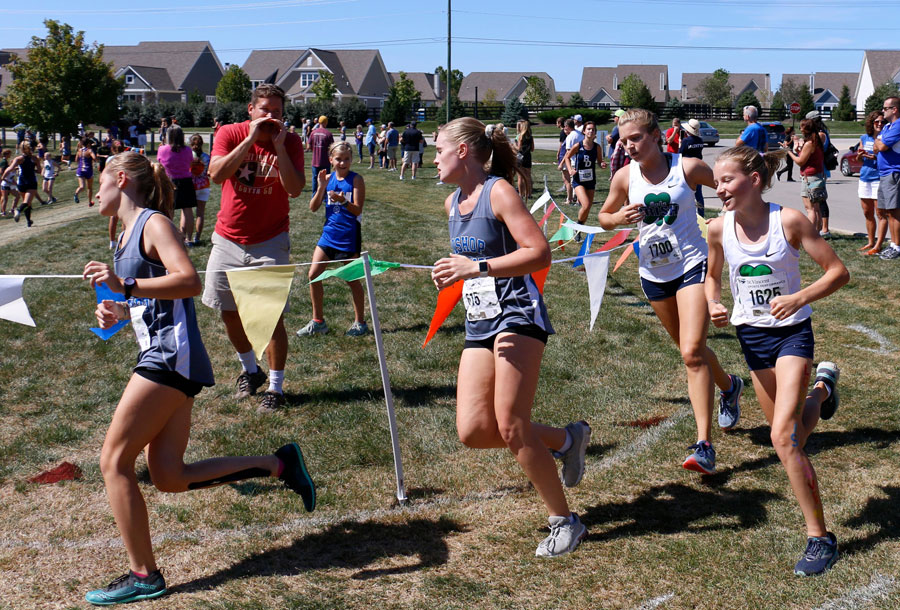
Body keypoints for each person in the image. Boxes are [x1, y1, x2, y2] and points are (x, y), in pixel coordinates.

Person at [81, 152, 315, 606]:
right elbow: (146, 302)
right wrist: (113, 312)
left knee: (114, 462)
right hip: (166, 356)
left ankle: (144, 576)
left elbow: (187, 280)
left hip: (169, 358)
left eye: (101, 183)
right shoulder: (123, 235)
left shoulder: (155, 224)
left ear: (122, 180)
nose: (94, 193)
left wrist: (126, 288)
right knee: (168, 476)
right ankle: (279, 464)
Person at [431, 117, 591, 557]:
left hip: (518, 315)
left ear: (463, 152)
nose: (434, 157)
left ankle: (566, 522)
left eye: (439, 148)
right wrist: (452, 273)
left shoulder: (497, 191)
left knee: (511, 422)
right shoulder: (451, 203)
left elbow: (538, 252)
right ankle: (566, 439)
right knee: (474, 429)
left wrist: (475, 269)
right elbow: (471, 258)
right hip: (480, 321)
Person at [706, 145, 848, 576]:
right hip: (752, 337)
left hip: (792, 335)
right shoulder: (718, 229)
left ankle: (820, 538)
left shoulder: (787, 221)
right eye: (716, 182)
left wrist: (798, 297)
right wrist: (713, 302)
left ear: (753, 180)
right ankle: (823, 390)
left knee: (783, 440)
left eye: (726, 180)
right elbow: (712, 277)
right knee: (790, 439)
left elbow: (837, 271)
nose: (719, 188)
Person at [597, 109, 743, 474]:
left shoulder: (687, 168)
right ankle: (729, 386)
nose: (629, 145)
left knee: (692, 353)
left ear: (656, 135)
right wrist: (618, 219)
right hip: (653, 273)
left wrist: (727, 221)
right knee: (689, 348)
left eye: (636, 138)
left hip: (692, 266)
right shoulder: (624, 176)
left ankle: (704, 444)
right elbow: (603, 217)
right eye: (623, 139)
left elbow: (728, 190)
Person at [205, 84, 305, 413]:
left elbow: (294, 190)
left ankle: (276, 389)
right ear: (251, 110)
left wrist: (278, 146)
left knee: (270, 317)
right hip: (228, 238)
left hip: (270, 241)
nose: (270, 116)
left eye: (276, 111)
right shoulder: (230, 134)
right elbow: (216, 175)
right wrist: (249, 139)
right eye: (264, 109)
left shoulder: (290, 141)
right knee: (229, 312)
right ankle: (251, 370)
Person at [297, 141, 368, 338]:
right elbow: (312, 207)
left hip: (348, 237)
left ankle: (360, 322)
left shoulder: (356, 180)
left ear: (351, 160)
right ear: (331, 160)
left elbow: (357, 210)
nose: (343, 163)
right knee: (313, 275)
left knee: (352, 280)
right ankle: (318, 321)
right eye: (338, 159)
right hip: (328, 235)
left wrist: (343, 201)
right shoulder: (327, 179)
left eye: (346, 159)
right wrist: (321, 187)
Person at [157, 125, 197, 246]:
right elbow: (191, 162)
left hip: (170, 181)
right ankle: (188, 239)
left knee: (168, 211)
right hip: (186, 181)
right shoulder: (188, 150)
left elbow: (160, 163)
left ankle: (168, 238)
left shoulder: (163, 149)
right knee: (187, 211)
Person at [785, 119, 827, 234]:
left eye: (801, 127)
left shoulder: (809, 143)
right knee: (816, 208)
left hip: (810, 178)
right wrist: (798, 148)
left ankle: (810, 235)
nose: (800, 130)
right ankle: (817, 234)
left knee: (810, 209)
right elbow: (807, 157)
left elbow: (800, 162)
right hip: (818, 176)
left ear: (806, 129)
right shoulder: (816, 141)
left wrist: (788, 151)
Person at [562, 121, 605, 225]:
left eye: (593, 129)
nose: (591, 131)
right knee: (585, 205)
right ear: (584, 131)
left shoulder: (597, 147)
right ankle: (578, 227)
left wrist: (602, 164)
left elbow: (599, 161)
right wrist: (570, 170)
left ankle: (579, 228)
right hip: (578, 180)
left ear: (595, 133)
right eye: (589, 129)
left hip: (590, 179)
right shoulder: (578, 145)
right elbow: (567, 157)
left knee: (588, 207)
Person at [874, 96, 900, 260]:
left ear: (894, 109)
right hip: (884, 173)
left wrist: (878, 140)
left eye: (885, 108)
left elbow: (881, 146)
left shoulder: (898, 126)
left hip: (893, 172)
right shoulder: (888, 127)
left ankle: (897, 246)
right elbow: (877, 149)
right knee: (889, 212)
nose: (883, 111)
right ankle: (893, 244)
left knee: (895, 211)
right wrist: (878, 140)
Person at [857, 111, 886, 254]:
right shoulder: (864, 137)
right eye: (877, 122)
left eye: (882, 122)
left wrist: (875, 158)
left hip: (879, 179)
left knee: (880, 213)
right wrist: (860, 156)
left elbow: (887, 159)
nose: (880, 124)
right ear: (871, 123)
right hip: (864, 178)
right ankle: (870, 242)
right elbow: (859, 160)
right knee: (867, 213)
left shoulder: (886, 138)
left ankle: (878, 245)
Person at [2, 142, 42, 226]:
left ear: (21, 149)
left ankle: (29, 221)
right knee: (27, 202)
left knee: (27, 203)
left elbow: (9, 169)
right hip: (31, 182)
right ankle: (18, 210)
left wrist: (3, 177)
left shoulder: (18, 159)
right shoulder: (35, 158)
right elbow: (39, 171)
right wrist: (31, 170)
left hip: (21, 183)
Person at [679, 118, 706, 213]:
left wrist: (680, 144)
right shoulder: (700, 140)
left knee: (687, 192)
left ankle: (687, 213)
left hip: (687, 169)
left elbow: (680, 153)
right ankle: (701, 213)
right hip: (698, 168)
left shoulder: (686, 141)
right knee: (699, 194)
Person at [190, 133, 211, 246]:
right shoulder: (207, 157)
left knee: (187, 213)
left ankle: (187, 237)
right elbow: (209, 172)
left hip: (191, 186)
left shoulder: (188, 157)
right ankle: (197, 237)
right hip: (203, 186)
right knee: (200, 214)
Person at [558, 119, 584, 204]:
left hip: (572, 161)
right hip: (581, 159)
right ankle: (578, 199)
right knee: (579, 181)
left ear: (567, 126)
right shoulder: (580, 134)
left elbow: (568, 153)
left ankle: (570, 199)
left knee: (569, 181)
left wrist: (561, 163)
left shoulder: (570, 137)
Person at [106, 140, 127, 249]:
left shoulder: (110, 159)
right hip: (124, 187)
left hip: (113, 187)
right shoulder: (127, 158)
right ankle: (125, 238)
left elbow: (106, 174)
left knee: (113, 216)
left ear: (112, 149)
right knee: (125, 215)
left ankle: (112, 241)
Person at [308, 115, 334, 194]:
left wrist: (315, 150)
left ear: (319, 122)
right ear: (326, 123)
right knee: (326, 179)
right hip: (325, 161)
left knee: (315, 178)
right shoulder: (328, 134)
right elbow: (332, 149)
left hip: (315, 161)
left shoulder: (313, 133)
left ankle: (314, 195)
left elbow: (308, 146)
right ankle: (325, 196)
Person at [515, 119, 534, 202]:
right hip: (528, 157)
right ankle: (529, 194)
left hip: (520, 157)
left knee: (520, 177)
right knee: (528, 176)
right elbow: (532, 149)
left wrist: (513, 146)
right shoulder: (530, 137)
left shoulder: (520, 136)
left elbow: (519, 148)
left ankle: (521, 194)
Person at [74, 138, 96, 205]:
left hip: (80, 169)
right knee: (89, 187)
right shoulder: (89, 151)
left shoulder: (79, 151)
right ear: (88, 144)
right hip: (88, 169)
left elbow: (76, 160)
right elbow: (94, 158)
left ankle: (76, 194)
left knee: (82, 186)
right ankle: (89, 202)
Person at [0, 149, 20, 216]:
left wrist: (14, 183)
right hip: (5, 184)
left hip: (9, 184)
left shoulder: (9, 166)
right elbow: (2, 173)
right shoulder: (4, 162)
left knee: (17, 195)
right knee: (5, 198)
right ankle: (3, 212)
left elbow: (11, 177)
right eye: (9, 154)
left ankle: (12, 209)